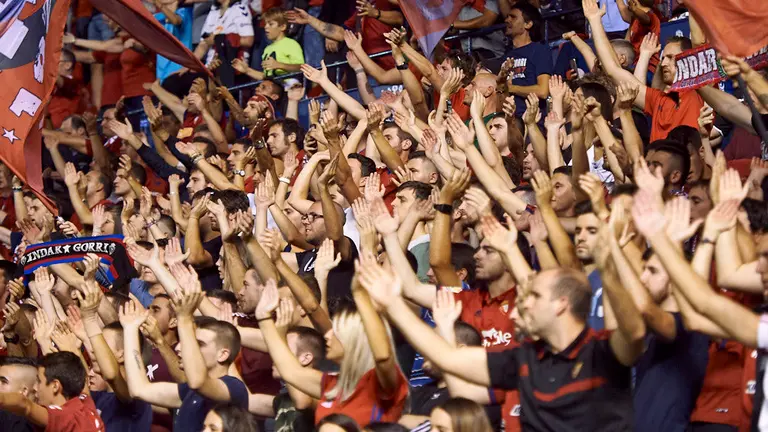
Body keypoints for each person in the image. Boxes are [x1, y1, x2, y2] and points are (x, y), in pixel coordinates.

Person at [0, 352, 105, 432]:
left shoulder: (65, 417)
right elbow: (79, 378)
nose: (35, 388)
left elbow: (25, 404)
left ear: (55, 386)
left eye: (39, 381)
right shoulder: (86, 403)